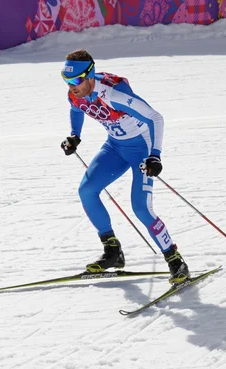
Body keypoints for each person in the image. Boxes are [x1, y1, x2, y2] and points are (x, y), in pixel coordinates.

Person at [59, 49, 190, 285]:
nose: (71, 86)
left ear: (90, 75)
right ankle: (113, 253)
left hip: (141, 148)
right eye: (66, 80)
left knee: (140, 207)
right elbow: (76, 108)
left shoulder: (114, 94)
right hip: (115, 147)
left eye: (76, 80)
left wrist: (155, 155)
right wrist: (74, 136)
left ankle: (175, 260)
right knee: (87, 191)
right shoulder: (76, 93)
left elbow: (155, 118)